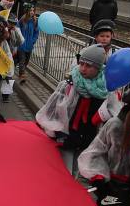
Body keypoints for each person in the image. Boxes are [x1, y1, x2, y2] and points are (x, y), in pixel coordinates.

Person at [35, 44, 115, 175]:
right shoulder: (71, 82)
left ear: (98, 68)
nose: (83, 68)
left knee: (77, 169)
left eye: (88, 66)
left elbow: (109, 114)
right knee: (64, 171)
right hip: (67, 133)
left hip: (88, 135)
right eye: (81, 64)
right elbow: (54, 105)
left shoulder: (105, 88)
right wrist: (52, 127)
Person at [17, 8, 39, 84]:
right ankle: (22, 75)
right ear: (27, 11)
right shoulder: (22, 20)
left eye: (33, 11)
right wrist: (20, 39)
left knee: (26, 61)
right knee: (22, 60)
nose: (32, 12)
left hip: (29, 45)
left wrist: (33, 41)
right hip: (22, 44)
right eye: (30, 10)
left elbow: (36, 32)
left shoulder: (35, 21)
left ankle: (21, 72)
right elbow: (17, 29)